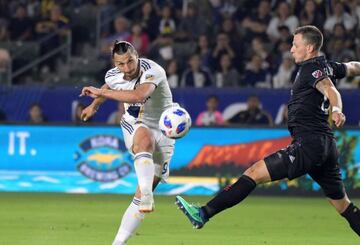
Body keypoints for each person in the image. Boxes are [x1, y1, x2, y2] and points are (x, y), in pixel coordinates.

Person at [175, 25, 360, 236]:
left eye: (295, 44)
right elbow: (353, 66)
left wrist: (337, 109)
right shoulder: (328, 66)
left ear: (309, 48)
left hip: (309, 144)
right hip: (326, 145)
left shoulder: (313, 70)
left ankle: (203, 213)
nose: (291, 49)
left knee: (253, 173)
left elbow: (330, 89)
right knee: (343, 205)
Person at [80, 41, 176, 245]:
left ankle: (120, 239)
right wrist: (94, 107)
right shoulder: (113, 74)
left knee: (140, 195)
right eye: (121, 64)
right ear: (115, 64)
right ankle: (147, 194)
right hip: (136, 123)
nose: (127, 68)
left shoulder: (153, 70)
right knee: (144, 140)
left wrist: (100, 93)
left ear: (137, 56)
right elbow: (110, 84)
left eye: (130, 62)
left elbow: (138, 95)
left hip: (165, 127)